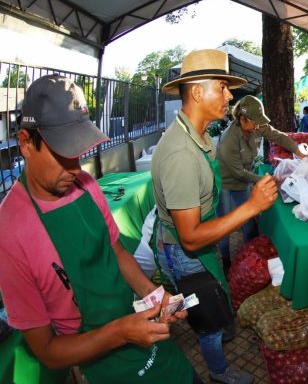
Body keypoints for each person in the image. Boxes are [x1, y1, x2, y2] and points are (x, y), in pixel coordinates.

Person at [0, 75, 196, 383]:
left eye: (78, 153)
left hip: (133, 324)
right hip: (92, 354)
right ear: (25, 143)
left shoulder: (87, 186)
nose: (76, 168)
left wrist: (153, 294)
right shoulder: (9, 233)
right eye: (63, 154)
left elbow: (116, 251)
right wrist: (119, 333)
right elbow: (48, 351)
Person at [152, 49, 278, 384]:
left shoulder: (200, 135)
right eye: (221, 87)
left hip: (196, 247)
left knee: (213, 302)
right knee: (207, 318)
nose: (229, 96)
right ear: (196, 92)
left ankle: (218, 327)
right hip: (186, 252)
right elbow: (190, 236)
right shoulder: (181, 153)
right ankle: (219, 372)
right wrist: (251, 207)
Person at [216, 95, 305, 273]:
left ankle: (250, 260)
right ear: (242, 119)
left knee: (249, 223)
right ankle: (226, 261)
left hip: (243, 182)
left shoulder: (256, 126)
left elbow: (278, 136)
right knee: (224, 227)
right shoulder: (228, 140)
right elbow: (238, 173)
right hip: (225, 183)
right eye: (255, 123)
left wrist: (298, 150)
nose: (258, 127)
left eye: (259, 123)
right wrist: (268, 179)